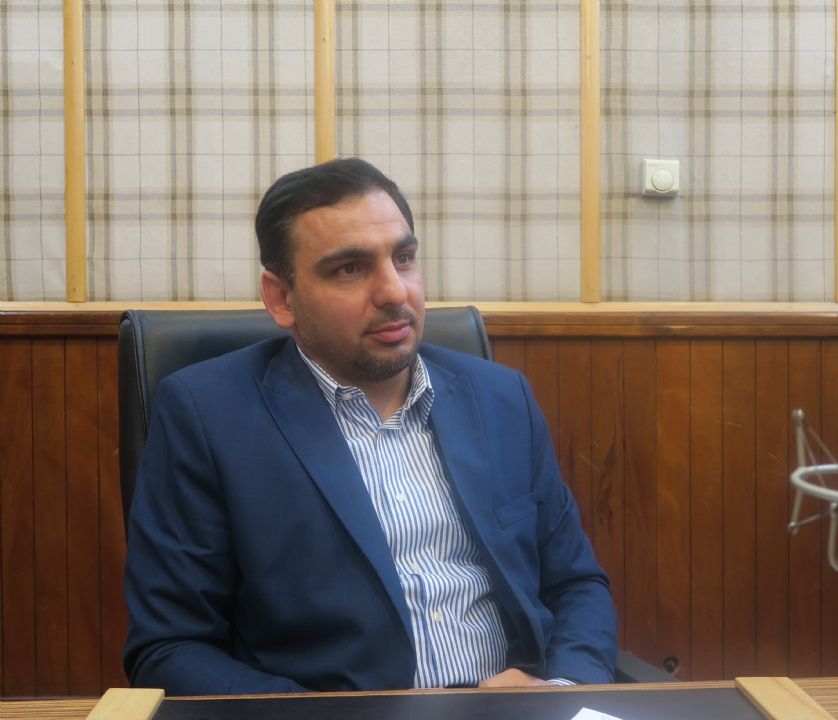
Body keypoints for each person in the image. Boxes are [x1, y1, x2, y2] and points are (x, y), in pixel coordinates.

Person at [123, 158, 617, 695]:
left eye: (403, 258)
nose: (394, 292)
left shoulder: (501, 398)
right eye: (349, 269)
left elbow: (575, 584)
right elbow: (170, 648)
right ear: (282, 298)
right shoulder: (207, 415)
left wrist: (562, 691)